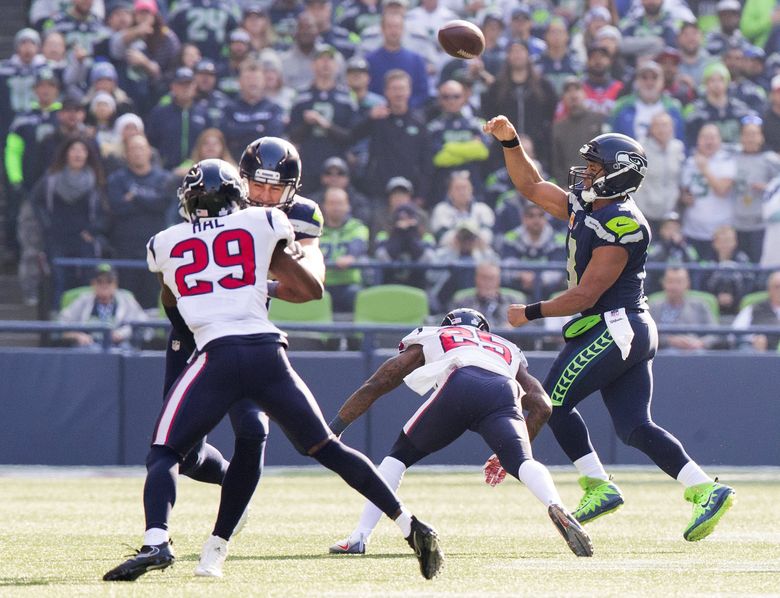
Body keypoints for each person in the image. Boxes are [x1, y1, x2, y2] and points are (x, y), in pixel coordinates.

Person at [103, 159, 444, 582]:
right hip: (267, 351)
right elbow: (304, 283)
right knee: (325, 447)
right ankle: (410, 524)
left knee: (164, 452)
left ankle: (157, 542)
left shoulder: (164, 242)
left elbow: (171, 299)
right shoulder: (263, 221)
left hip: (216, 355)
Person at [482, 116, 735, 542]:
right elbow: (531, 186)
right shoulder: (589, 206)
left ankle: (598, 484)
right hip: (622, 329)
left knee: (551, 403)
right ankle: (705, 487)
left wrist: (531, 311)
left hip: (614, 326)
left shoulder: (623, 222)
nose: (586, 173)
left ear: (617, 174)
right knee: (634, 426)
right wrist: (509, 143)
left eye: (596, 168)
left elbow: (587, 293)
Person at [156, 136, 327, 578]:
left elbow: (311, 281)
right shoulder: (213, 201)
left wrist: (255, 284)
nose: (266, 195)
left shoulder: (297, 217)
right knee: (182, 453)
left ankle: (218, 542)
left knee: (252, 430)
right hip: (194, 335)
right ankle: (234, 482)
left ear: (292, 188)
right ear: (242, 179)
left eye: (277, 188)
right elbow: (170, 287)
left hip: (246, 339)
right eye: (259, 185)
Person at [327, 308, 593, 558]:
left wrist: (335, 428)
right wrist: (510, 450)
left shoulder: (435, 334)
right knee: (523, 463)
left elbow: (381, 381)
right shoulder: (507, 348)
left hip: (460, 382)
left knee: (398, 457)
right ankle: (555, 504)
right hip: (503, 391)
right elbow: (543, 406)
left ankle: (360, 535)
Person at [58, 263, 148, 348]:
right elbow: (62, 324)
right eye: (99, 281)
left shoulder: (126, 300)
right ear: (93, 284)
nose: (104, 285)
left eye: (109, 281)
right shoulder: (83, 300)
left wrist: (123, 333)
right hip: (88, 347)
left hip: (119, 346)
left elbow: (142, 322)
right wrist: (78, 336)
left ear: (115, 284)